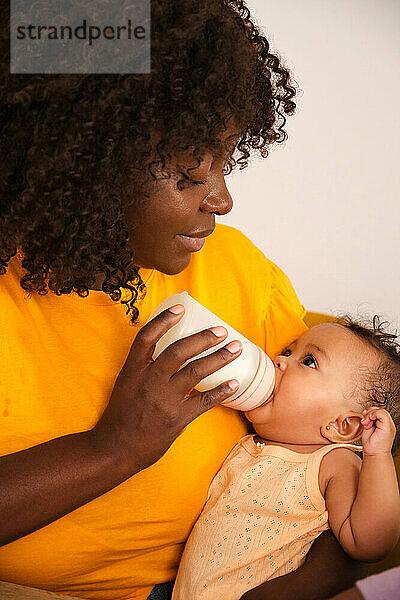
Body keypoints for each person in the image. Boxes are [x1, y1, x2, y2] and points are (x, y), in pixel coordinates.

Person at [0, 1, 365, 599]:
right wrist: (113, 449)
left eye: (225, 163)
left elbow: (358, 490)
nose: (222, 200)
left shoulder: (238, 268)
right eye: (190, 175)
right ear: (84, 171)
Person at [172, 317, 400, 600]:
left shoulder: (333, 463)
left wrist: (378, 456)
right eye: (289, 351)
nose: (279, 359)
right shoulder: (250, 443)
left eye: (309, 361)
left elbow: (370, 543)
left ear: (343, 426)